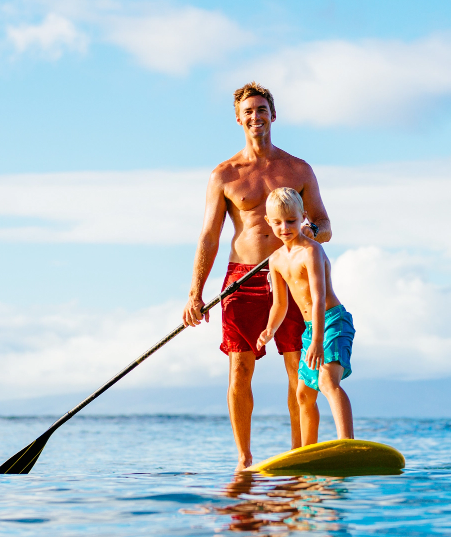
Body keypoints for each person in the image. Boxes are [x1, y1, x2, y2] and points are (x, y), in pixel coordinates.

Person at [183, 83, 332, 470]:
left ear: (273, 115)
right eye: (248, 111)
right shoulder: (224, 175)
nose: (255, 117)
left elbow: (325, 224)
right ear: (238, 118)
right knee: (240, 367)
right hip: (241, 279)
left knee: (298, 366)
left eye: (262, 109)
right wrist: (195, 293)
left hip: (290, 273)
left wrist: (304, 235)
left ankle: (301, 453)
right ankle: (245, 459)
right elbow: (209, 236)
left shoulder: (298, 169)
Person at [257, 188, 355, 446]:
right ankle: (308, 451)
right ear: (268, 221)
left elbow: (319, 297)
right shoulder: (275, 260)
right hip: (312, 329)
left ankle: (346, 443)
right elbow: (280, 304)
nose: (285, 227)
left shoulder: (311, 251)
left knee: (326, 381)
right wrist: (269, 330)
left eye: (291, 220)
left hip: (332, 322)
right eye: (277, 222)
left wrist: (317, 340)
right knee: (302, 394)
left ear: (303, 217)